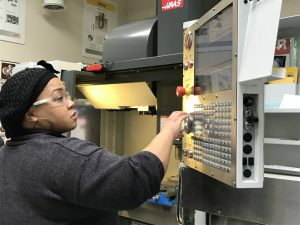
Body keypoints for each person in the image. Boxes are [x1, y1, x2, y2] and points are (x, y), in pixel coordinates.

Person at [0, 61, 187, 225]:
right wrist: (169, 130)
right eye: (59, 98)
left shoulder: (6, 153)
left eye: (67, 94)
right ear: (31, 115)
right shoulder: (63, 156)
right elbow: (135, 181)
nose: (71, 103)